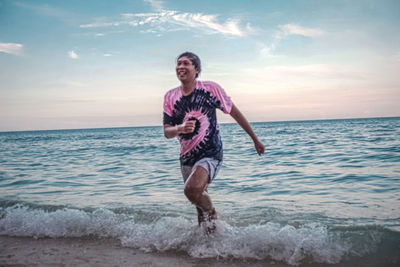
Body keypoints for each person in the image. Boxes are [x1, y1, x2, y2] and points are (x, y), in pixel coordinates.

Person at [163, 52, 265, 232]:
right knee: (198, 204)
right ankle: (208, 245)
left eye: (186, 63)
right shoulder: (170, 96)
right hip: (187, 156)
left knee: (192, 190)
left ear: (197, 70)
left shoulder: (210, 89)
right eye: (178, 63)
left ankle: (213, 212)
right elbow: (167, 132)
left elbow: (235, 113)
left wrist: (254, 139)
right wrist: (180, 128)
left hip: (210, 152)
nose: (180, 67)